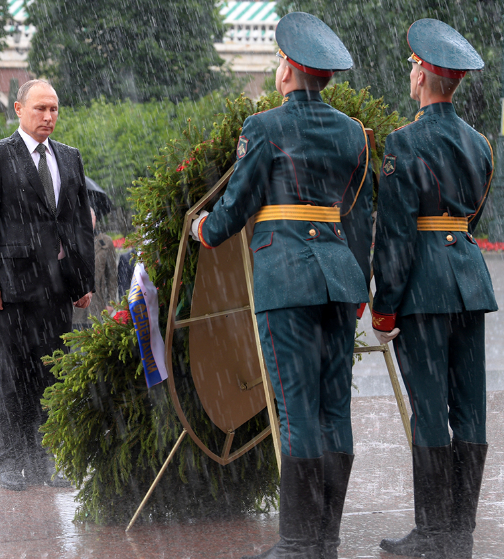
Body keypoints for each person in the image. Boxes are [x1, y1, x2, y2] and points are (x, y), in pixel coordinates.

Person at [189, 13, 372, 558]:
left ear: (289, 70)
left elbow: (234, 208)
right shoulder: (352, 132)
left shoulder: (264, 127)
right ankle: (326, 539)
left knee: (294, 409)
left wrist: (206, 226)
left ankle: (296, 544)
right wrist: (360, 285)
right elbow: (359, 214)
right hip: (339, 278)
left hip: (287, 274)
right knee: (333, 410)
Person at [371, 19, 495, 559]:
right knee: (469, 406)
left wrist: (384, 307)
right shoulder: (479, 143)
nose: (411, 73)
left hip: (423, 288)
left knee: (429, 408)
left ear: (423, 75)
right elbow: (472, 218)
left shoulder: (402, 143)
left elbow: (397, 237)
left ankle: (431, 531)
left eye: (413, 66)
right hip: (469, 281)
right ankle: (459, 531)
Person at [0, 78, 95, 491]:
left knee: (53, 376)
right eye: (40, 108)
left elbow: (77, 224)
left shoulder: (70, 158)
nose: (48, 116)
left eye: (54, 109)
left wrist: (82, 281)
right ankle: (11, 458)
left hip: (57, 289)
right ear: (19, 110)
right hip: (12, 290)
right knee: (14, 376)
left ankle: (48, 459)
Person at [71, 209, 118, 329]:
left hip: (98, 307)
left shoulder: (105, 243)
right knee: (75, 345)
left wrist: (111, 303)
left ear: (95, 219)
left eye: (90, 217)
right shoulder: (70, 241)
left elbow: (112, 275)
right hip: (75, 310)